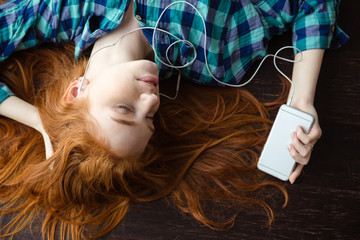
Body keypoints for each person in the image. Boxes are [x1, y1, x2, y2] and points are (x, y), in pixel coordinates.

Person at [0, 0, 348, 239]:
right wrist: (302, 100)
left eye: (124, 110)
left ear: (76, 92)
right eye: (149, 117)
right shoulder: (214, 52)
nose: (151, 99)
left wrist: (42, 122)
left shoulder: (70, 10)